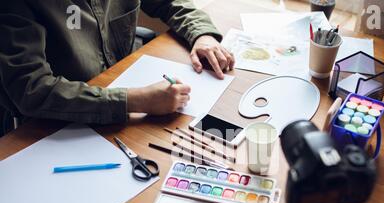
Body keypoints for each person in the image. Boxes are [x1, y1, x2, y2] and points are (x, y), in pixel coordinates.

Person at [0, 0, 234, 127]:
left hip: (125, 100)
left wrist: (202, 34)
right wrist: (137, 100)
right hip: (60, 121)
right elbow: (31, 89)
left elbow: (170, 2)